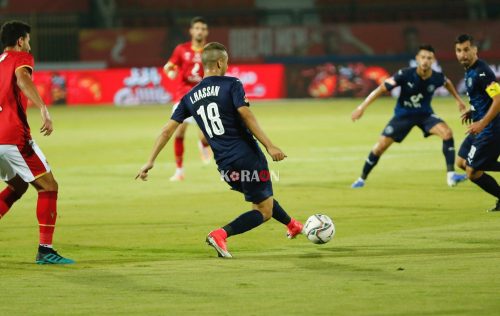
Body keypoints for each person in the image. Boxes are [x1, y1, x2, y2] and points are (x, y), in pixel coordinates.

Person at [137, 42, 303, 258]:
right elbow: (246, 114)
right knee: (263, 211)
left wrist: (150, 161)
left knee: (262, 197)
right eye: (227, 61)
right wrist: (269, 145)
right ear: (219, 62)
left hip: (225, 166)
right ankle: (220, 234)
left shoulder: (189, 97)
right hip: (247, 157)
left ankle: (292, 224)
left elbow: (167, 130)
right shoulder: (232, 84)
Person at [0, 21, 73, 264]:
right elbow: (22, 79)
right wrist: (43, 107)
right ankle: (46, 250)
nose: (29, 45)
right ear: (21, 40)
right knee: (49, 186)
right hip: (12, 137)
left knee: (18, 186)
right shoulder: (21, 57)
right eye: (28, 40)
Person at [351, 45, 468, 188]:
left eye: (429, 58)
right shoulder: (405, 74)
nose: (425, 61)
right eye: (423, 57)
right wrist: (361, 107)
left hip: (425, 115)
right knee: (380, 147)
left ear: (433, 60)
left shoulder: (436, 77)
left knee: (447, 133)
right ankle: (361, 179)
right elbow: (381, 88)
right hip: (403, 116)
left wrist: (458, 99)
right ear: (417, 59)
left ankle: (451, 176)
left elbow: (447, 82)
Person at [454, 34, 500, 212]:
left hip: (491, 128)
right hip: (480, 125)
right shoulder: (469, 70)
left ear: (475, 50)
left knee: (472, 172)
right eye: (458, 51)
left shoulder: (482, 72)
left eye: (466, 50)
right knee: (461, 161)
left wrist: (482, 122)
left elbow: (498, 100)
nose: (462, 54)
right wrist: (473, 112)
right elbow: (484, 99)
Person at [163, 16, 212, 181]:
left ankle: (203, 145)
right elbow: (169, 66)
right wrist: (170, 72)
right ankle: (179, 171)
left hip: (204, 96)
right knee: (178, 131)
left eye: (203, 28)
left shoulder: (211, 51)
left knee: (206, 137)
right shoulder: (181, 49)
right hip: (183, 95)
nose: (200, 31)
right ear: (191, 31)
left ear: (207, 32)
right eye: (197, 28)